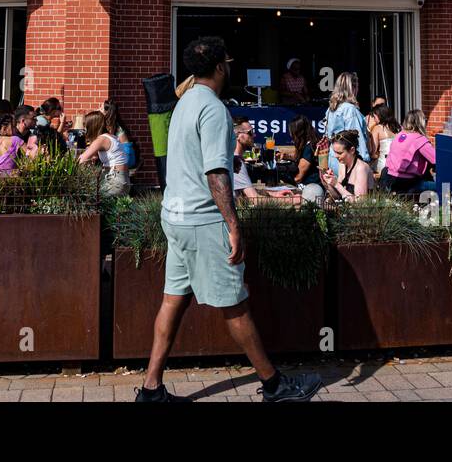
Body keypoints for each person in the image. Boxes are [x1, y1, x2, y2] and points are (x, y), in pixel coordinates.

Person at [137, 35, 320, 403]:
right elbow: (217, 173)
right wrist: (233, 225)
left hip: (174, 216)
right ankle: (274, 386)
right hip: (203, 221)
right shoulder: (215, 109)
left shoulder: (185, 102)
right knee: (234, 303)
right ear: (220, 66)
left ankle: (151, 389)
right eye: (228, 63)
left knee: (173, 300)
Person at [324, 71, 370, 176]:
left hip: (334, 158)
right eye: (357, 87)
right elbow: (356, 138)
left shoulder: (331, 109)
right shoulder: (350, 110)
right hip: (348, 162)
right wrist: (365, 161)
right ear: (352, 88)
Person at [381, 110, 436, 194]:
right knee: (442, 186)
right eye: (425, 119)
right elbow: (436, 159)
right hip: (408, 183)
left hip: (390, 179)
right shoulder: (419, 139)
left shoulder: (399, 136)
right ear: (420, 122)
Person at [78, 109, 130, 198]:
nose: (84, 129)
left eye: (85, 126)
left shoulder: (101, 140)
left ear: (92, 126)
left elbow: (81, 159)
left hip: (114, 182)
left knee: (85, 196)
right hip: (121, 180)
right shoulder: (111, 136)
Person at [321, 129, 372, 201]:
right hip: (346, 209)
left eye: (339, 153)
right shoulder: (342, 164)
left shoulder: (361, 168)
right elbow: (338, 196)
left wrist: (336, 184)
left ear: (352, 150)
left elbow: (361, 203)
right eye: (335, 152)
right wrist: (329, 183)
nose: (336, 156)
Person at [286, 113, 325, 204]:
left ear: (298, 132)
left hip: (311, 187)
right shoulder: (309, 142)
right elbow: (298, 157)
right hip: (310, 185)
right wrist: (286, 156)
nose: (290, 134)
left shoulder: (309, 147)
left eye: (292, 132)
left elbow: (298, 177)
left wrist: (284, 180)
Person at [367, 103, 398, 176]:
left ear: (380, 116)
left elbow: (373, 152)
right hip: (397, 164)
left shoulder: (377, 128)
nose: (374, 120)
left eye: (374, 117)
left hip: (383, 164)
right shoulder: (398, 127)